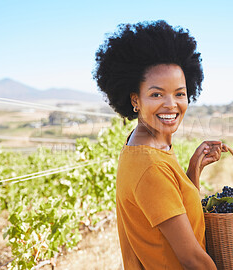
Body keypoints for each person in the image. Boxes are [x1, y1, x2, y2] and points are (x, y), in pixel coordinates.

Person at [93, 20, 226, 269]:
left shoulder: (146, 144)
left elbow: (171, 214)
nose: (171, 104)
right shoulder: (151, 166)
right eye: (156, 94)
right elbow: (191, 259)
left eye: (179, 93)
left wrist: (192, 171)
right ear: (135, 99)